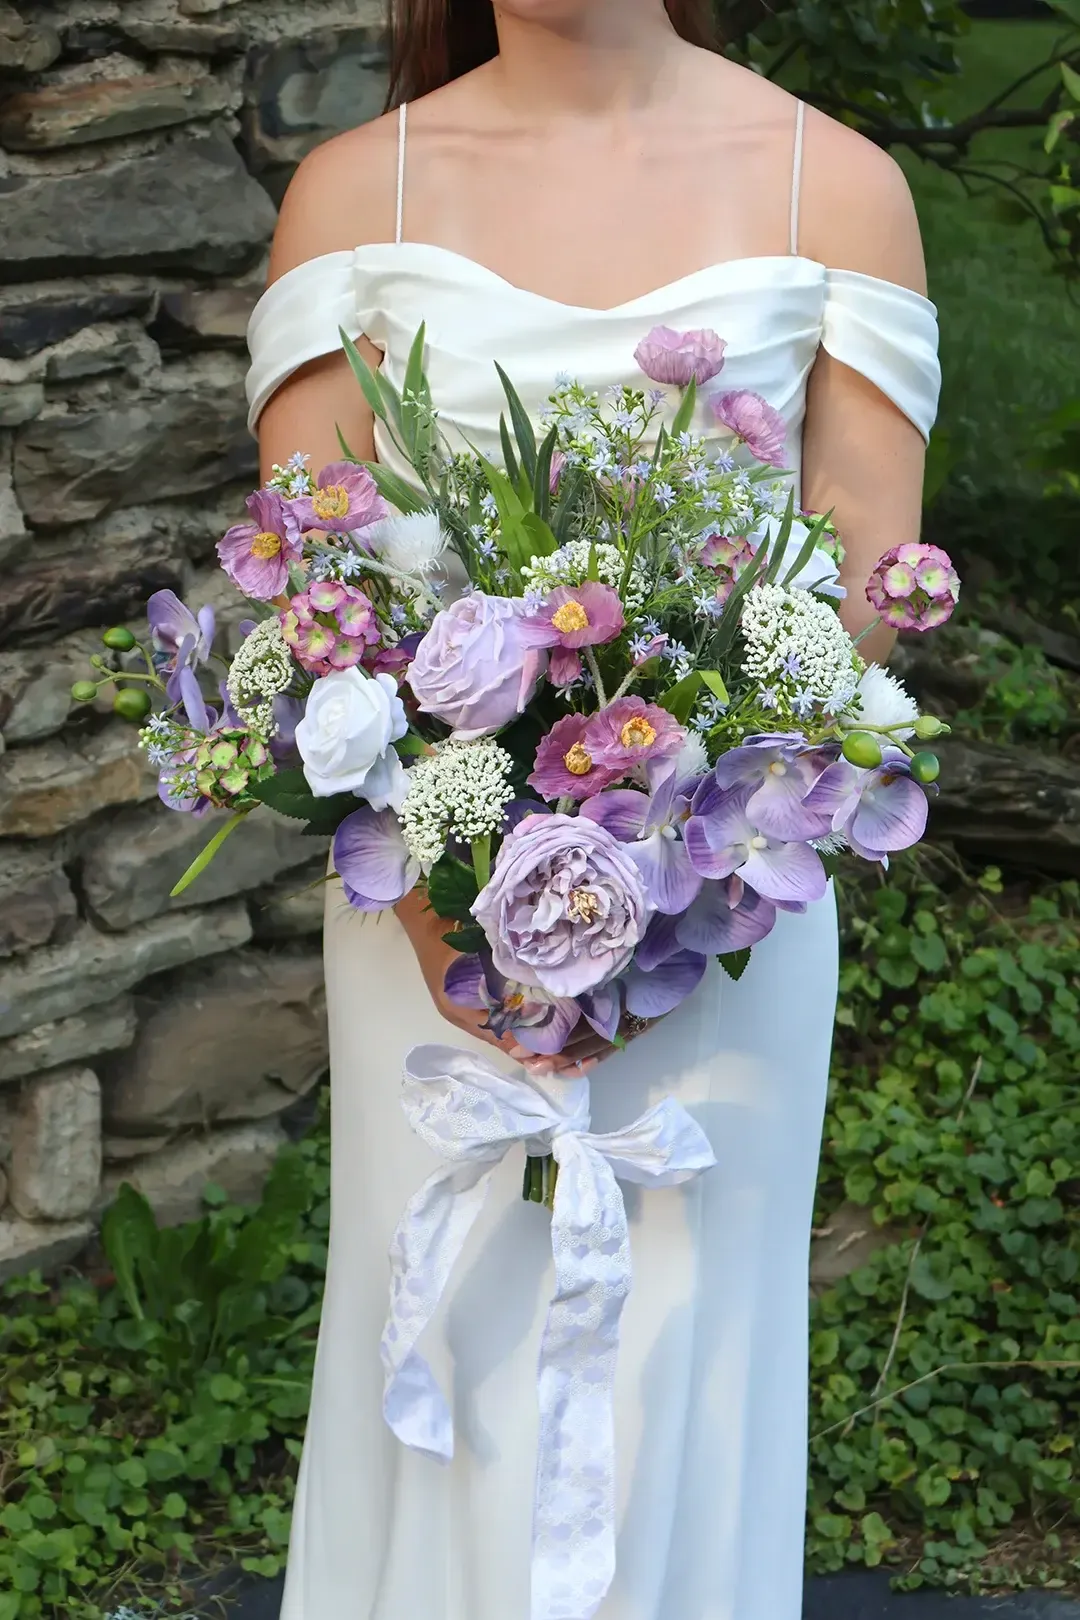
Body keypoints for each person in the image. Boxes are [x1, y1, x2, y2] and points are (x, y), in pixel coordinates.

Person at [245, 2, 941, 1615]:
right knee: (447, 1334)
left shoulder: (832, 193)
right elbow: (317, 599)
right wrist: (458, 923)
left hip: (727, 915)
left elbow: (864, 610)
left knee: (686, 1353)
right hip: (427, 919)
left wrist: (659, 909)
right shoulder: (357, 194)